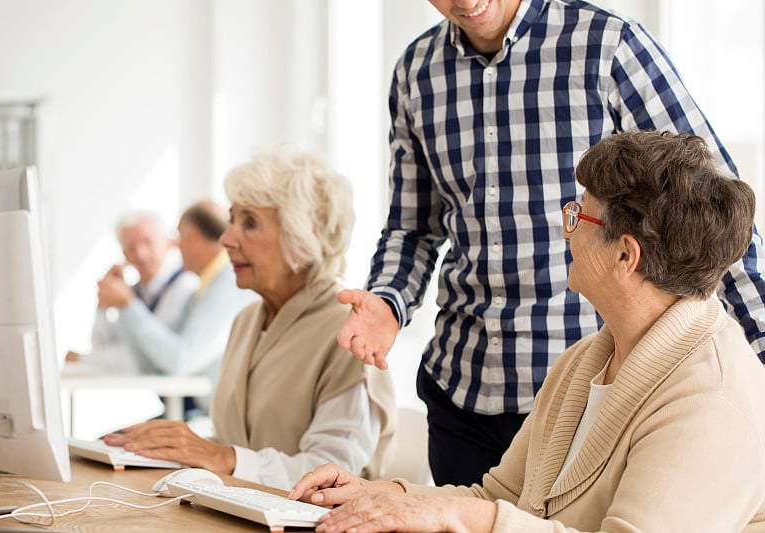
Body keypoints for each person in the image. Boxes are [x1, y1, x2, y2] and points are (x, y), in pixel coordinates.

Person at [337, 0, 765, 486]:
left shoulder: (609, 47)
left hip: (582, 396)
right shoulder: (416, 73)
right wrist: (388, 302)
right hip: (460, 390)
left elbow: (710, 206)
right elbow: (411, 227)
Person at [291, 130, 765, 532]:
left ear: (626, 254)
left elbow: (485, 516)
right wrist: (380, 494)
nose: (567, 231)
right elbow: (496, 497)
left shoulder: (713, 399)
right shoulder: (583, 364)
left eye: (580, 215)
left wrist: (454, 513)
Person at [105, 146, 397, 490]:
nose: (227, 239)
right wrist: (171, 450)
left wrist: (219, 456)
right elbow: (241, 443)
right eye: (232, 220)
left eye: (250, 223)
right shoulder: (247, 321)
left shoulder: (348, 333)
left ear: (304, 238)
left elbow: (331, 475)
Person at [94, 200, 257, 418]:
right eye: (131, 247)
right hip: (203, 413)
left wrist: (128, 304)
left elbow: (179, 360)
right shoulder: (203, 288)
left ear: (195, 237)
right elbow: (151, 361)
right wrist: (123, 305)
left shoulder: (228, 281)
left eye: (179, 237)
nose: (174, 245)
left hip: (214, 418)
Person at [66, 210, 198, 374]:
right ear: (123, 254)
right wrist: (103, 305)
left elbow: (149, 358)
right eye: (130, 248)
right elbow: (102, 346)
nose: (140, 254)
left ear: (167, 242)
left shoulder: (185, 285)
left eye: (147, 242)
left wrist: (83, 360)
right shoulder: (134, 292)